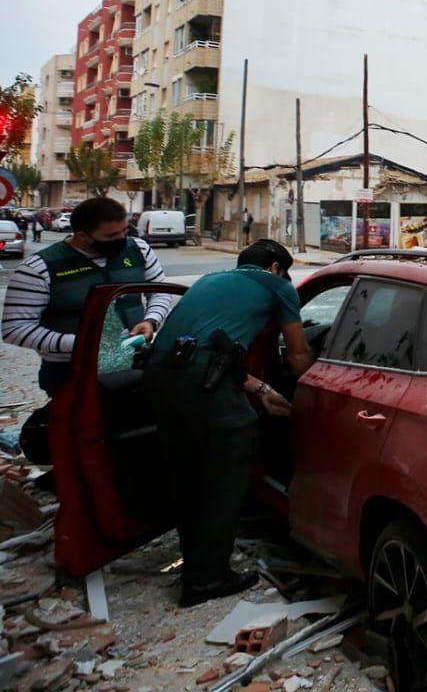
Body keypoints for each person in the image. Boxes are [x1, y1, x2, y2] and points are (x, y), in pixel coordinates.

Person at [145, 239, 311, 607]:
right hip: (204, 381)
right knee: (226, 474)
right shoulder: (278, 286)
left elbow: (216, 350)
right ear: (274, 268)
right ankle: (207, 579)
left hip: (161, 375)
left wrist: (261, 387)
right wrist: (314, 394)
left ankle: (196, 564)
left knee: (187, 475)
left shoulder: (209, 280)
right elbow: (298, 353)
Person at [1, 197, 173, 397]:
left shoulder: (139, 250)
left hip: (134, 361)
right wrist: (83, 344)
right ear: (82, 235)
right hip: (71, 370)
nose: (122, 239)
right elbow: (15, 329)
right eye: (111, 236)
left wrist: (151, 321)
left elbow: (159, 291)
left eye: (124, 231)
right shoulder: (38, 268)